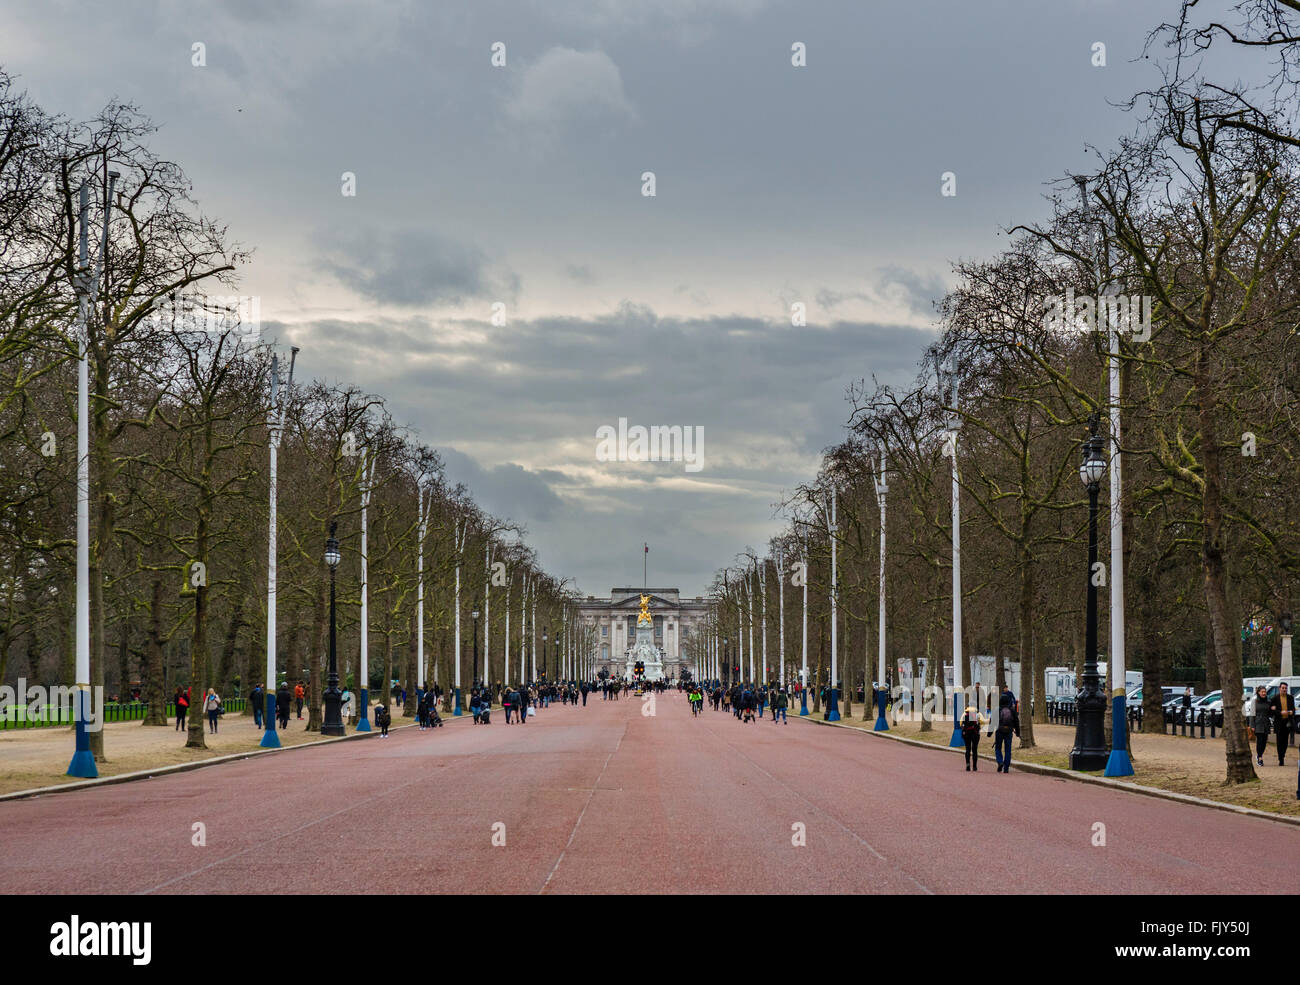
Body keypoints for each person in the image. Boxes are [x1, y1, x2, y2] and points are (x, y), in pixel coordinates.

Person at [993, 689, 1020, 772]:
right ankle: (1006, 767)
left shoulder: (997, 709)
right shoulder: (1012, 710)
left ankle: (1000, 761)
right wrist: (1018, 732)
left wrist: (989, 733)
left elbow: (992, 721)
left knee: (998, 748)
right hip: (1009, 731)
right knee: (1008, 749)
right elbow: (1016, 721)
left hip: (999, 731)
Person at [1270, 683, 1296, 766]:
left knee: (1285, 741)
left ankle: (1283, 755)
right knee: (1279, 741)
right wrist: (1280, 712)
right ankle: (1280, 758)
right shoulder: (1275, 698)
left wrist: (1292, 712)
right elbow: (1272, 711)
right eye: (1283, 688)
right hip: (1279, 722)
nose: (1284, 689)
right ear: (1279, 688)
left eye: (1285, 688)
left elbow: (1293, 709)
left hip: (1287, 722)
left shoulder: (1290, 698)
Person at [960, 704, 985, 771]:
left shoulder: (965, 715)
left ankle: (968, 764)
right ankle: (974, 766)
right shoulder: (978, 715)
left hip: (967, 734)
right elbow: (982, 722)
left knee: (968, 749)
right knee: (975, 750)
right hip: (975, 734)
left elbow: (961, 724)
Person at [1252, 685, 1271, 766]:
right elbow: (1252, 714)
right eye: (1262, 692)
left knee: (1264, 742)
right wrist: (1252, 725)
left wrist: (1273, 709)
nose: (1264, 693)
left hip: (1266, 723)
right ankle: (1260, 758)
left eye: (1265, 692)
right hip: (1258, 724)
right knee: (1259, 741)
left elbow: (1270, 713)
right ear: (1258, 692)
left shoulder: (1268, 701)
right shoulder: (1255, 701)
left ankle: (1259, 755)